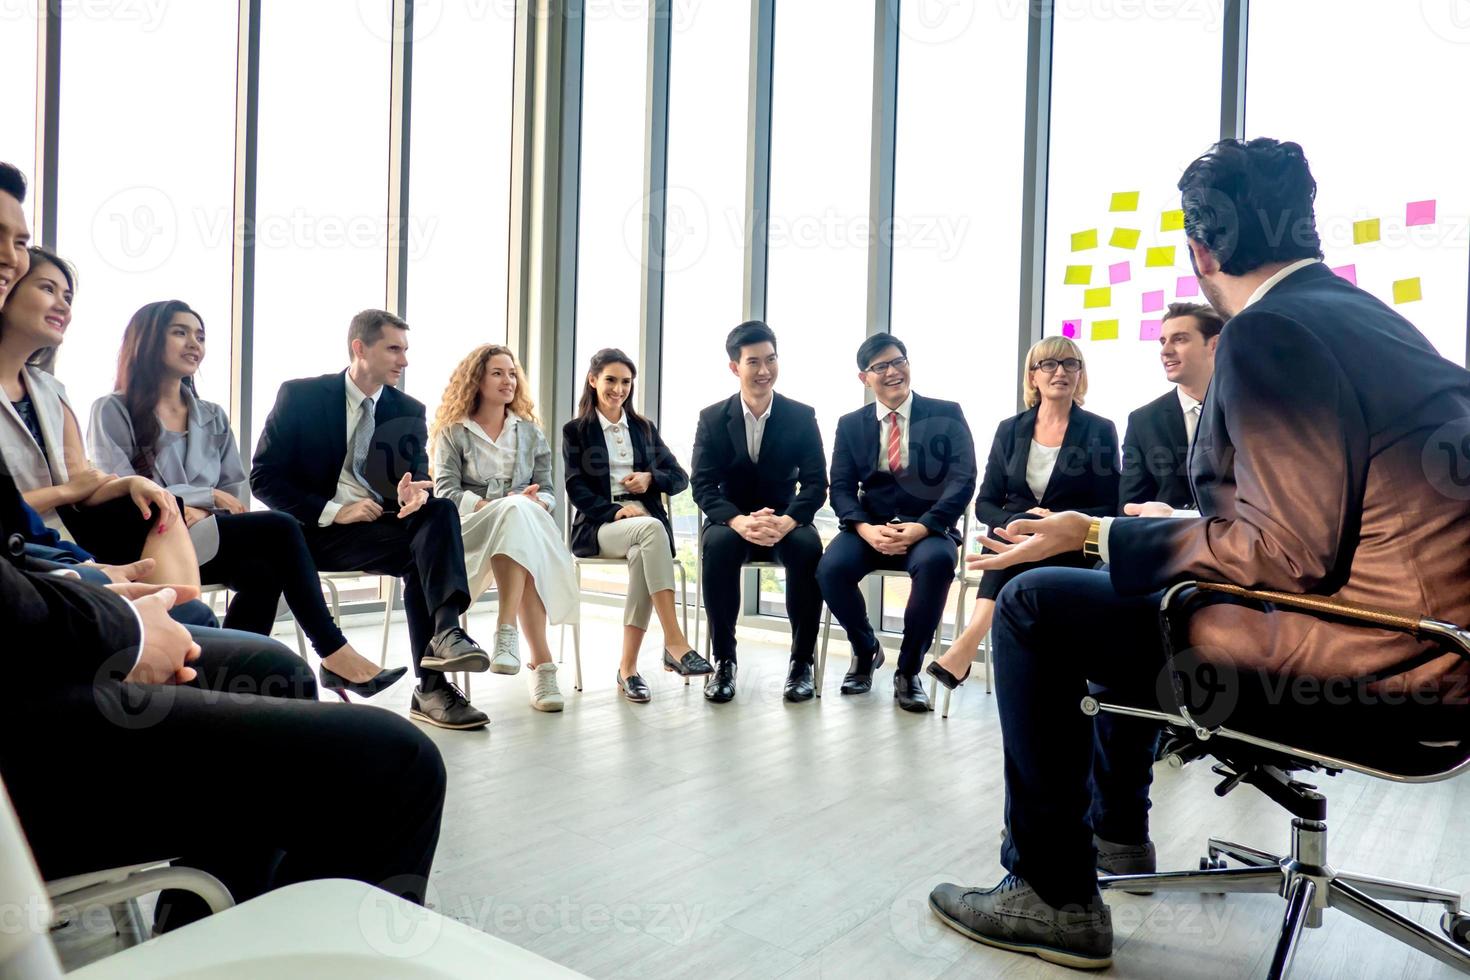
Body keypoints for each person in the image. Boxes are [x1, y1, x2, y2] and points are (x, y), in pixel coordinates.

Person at [928, 137, 1470, 970]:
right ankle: (1114, 834)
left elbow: (1284, 555)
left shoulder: (1268, 334)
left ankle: (1052, 894)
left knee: (1040, 603)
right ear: (1306, 227)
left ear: (1202, 251)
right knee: (1124, 600)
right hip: (1435, 649)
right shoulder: (1372, 320)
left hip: (1373, 663)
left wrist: (1097, 531)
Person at [0, 468, 447, 933]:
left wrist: (78, 578)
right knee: (398, 763)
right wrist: (117, 625)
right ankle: (249, 944)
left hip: (47, 593)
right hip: (20, 695)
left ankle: (199, 930)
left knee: (275, 669)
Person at [88, 300, 404, 698]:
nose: (194, 344)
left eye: (200, 336)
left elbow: (235, 493)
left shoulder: (213, 416)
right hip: (148, 540)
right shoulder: (111, 410)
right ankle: (332, 651)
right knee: (280, 527)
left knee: (264, 568)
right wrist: (201, 498)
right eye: (180, 332)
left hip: (208, 537)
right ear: (148, 340)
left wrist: (202, 505)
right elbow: (122, 488)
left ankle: (222, 678)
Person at [251, 309, 491, 730]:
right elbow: (263, 477)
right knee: (424, 553)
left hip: (376, 529)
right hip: (312, 534)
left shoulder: (408, 409)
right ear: (359, 348)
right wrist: (335, 511)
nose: (404, 360)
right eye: (394, 349)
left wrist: (412, 492)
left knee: (437, 512)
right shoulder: (301, 396)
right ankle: (433, 685)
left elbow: (419, 475)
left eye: (406, 350)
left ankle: (446, 634)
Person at [0, 242, 199, 587]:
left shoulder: (50, 390)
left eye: (68, 296)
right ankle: (172, 624)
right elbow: (67, 490)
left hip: (61, 531)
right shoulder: (108, 406)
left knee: (157, 504)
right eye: (48, 289)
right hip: (19, 538)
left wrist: (133, 482)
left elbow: (84, 481)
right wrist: (65, 492)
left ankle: (177, 618)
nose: (62, 304)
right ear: (7, 290)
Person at [926, 336, 1118, 691]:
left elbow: (1110, 506)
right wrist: (1018, 522)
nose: (1060, 371)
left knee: (1010, 546)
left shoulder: (1099, 430)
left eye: (1070, 364)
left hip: (1070, 545)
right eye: (1049, 364)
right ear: (1033, 376)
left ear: (1080, 374)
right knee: (1009, 538)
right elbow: (986, 503)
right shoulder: (1010, 430)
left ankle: (965, 648)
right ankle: (971, 646)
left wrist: (1056, 520)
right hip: (1015, 539)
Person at [816, 332, 976, 712]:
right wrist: (864, 528)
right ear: (864, 378)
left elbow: (963, 478)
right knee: (829, 569)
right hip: (870, 527)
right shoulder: (850, 424)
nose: (892, 371)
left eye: (898, 361)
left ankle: (908, 670)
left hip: (927, 528)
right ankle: (865, 648)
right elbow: (839, 487)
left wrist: (925, 526)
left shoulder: (946, 413)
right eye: (880, 366)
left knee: (937, 563)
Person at [430, 344, 579, 712]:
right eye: (498, 372)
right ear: (476, 379)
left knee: (519, 519)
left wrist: (535, 502)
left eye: (512, 373)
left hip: (522, 524)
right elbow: (445, 490)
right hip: (472, 529)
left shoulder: (530, 433)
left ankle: (509, 635)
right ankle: (541, 664)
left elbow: (547, 491)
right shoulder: (453, 433)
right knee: (514, 514)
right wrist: (491, 504)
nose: (508, 380)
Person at [690, 320, 827, 703]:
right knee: (717, 546)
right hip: (731, 520)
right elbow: (701, 484)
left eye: (771, 360)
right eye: (754, 362)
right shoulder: (713, 418)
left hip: (785, 518)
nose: (764, 370)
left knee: (806, 548)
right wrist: (737, 519)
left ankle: (801, 664)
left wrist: (786, 520)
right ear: (735, 367)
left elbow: (816, 483)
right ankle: (724, 662)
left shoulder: (801, 416)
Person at [562, 347, 708, 703]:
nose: (619, 389)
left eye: (626, 382)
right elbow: (575, 487)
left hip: (644, 528)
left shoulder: (643, 429)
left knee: (647, 547)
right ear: (593, 380)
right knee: (651, 531)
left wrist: (649, 479)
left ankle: (627, 669)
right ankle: (674, 641)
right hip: (600, 526)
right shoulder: (576, 431)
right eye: (611, 380)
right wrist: (615, 511)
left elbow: (679, 478)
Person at [1118, 302, 1224, 510]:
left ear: (1214, 345)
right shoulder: (1143, 421)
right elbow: (1129, 509)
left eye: (1179, 339)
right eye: (1163, 341)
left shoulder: (1249, 411)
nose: (1165, 351)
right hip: (1166, 539)